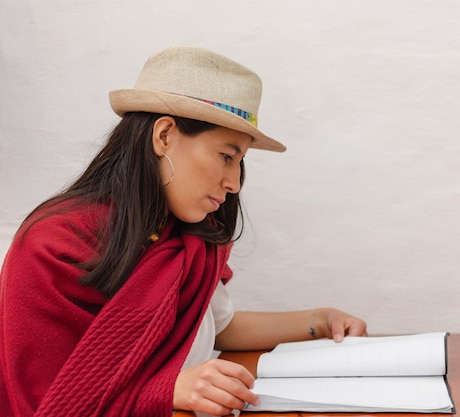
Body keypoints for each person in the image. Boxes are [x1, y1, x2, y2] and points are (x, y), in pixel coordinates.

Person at [0, 46, 367, 417]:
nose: (234, 183)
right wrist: (165, 391)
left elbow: (219, 326)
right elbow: (48, 401)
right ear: (163, 136)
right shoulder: (51, 247)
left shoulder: (190, 237)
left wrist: (319, 321)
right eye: (226, 156)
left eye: (240, 162)